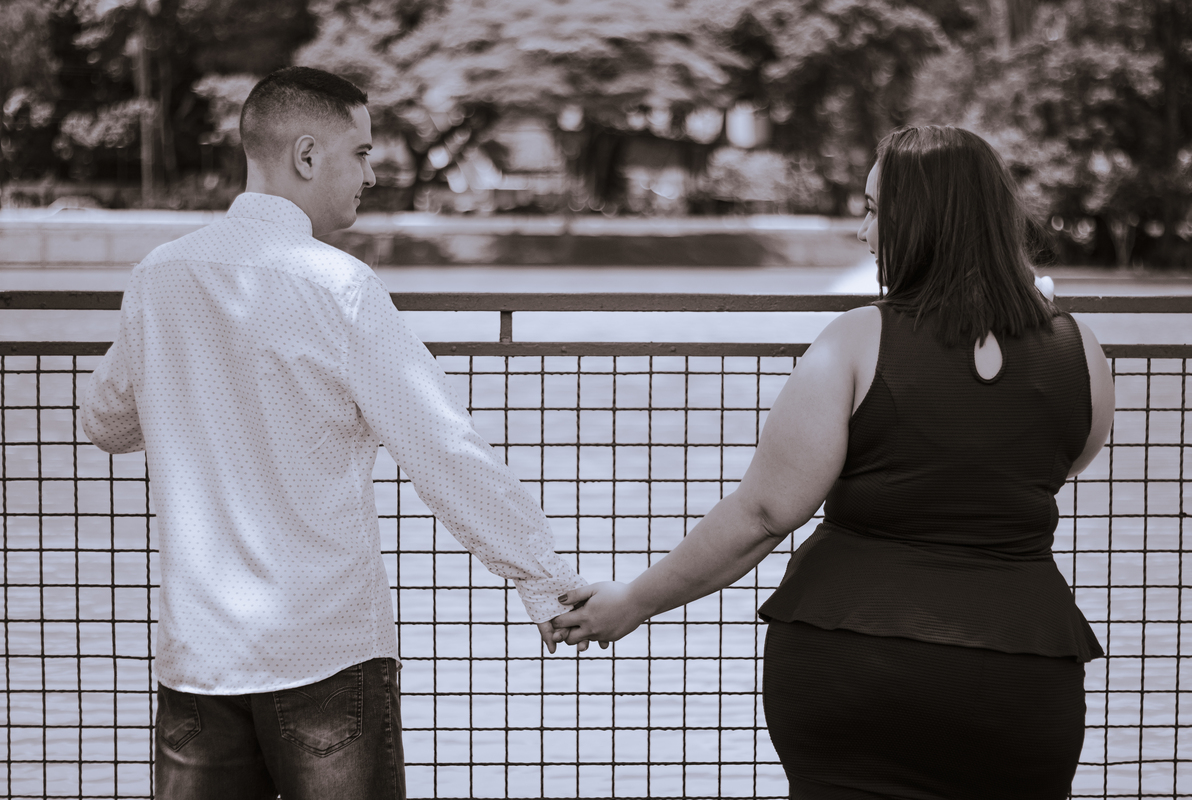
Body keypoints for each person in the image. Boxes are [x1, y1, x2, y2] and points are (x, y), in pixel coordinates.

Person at [553, 125, 1115, 799]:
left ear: (923, 222)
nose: (862, 231)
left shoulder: (858, 339)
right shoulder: (1079, 348)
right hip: (1020, 673)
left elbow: (765, 513)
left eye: (875, 210)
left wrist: (634, 601)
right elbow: (1062, 461)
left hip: (857, 663)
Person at [80, 66, 587, 800]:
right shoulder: (339, 286)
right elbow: (442, 450)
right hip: (324, 649)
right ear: (308, 156)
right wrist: (544, 582)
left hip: (199, 655)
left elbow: (104, 423)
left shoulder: (160, 275)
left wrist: (186, 388)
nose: (372, 175)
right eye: (363, 152)